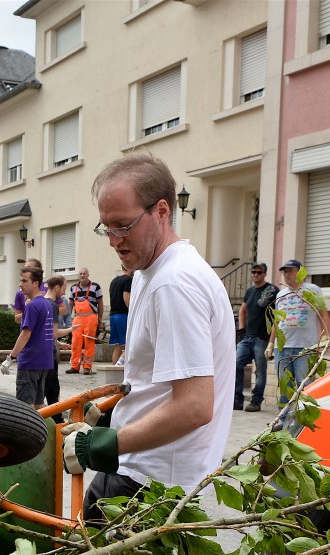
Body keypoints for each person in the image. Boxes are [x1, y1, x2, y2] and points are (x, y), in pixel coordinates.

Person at [63, 151, 234, 517]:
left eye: (123, 225)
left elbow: (194, 405)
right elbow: (157, 381)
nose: (113, 239)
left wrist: (99, 446)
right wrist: (111, 415)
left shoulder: (173, 283)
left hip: (151, 478)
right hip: (143, 467)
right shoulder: (148, 271)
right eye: (106, 227)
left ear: (161, 211)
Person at [269, 259, 330, 433]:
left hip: (306, 347)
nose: (286, 274)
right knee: (285, 385)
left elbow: (323, 315)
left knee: (305, 385)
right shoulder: (281, 294)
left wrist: (324, 337)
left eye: (290, 271)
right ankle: (282, 419)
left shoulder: (312, 290)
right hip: (283, 347)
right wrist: (271, 343)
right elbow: (276, 320)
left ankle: (304, 419)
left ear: (300, 271)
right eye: (284, 271)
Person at [0, 266, 62, 408]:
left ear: (35, 283)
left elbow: (25, 334)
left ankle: (52, 430)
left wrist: (11, 358)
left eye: (24, 281)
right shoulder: (47, 304)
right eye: (20, 280)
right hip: (43, 362)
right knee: (39, 405)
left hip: (30, 363)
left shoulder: (32, 306)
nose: (20, 284)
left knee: (25, 408)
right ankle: (57, 430)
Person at [233, 263, 277, 412]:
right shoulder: (250, 291)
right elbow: (242, 311)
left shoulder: (272, 291)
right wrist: (242, 331)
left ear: (264, 274)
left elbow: (277, 317)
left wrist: (271, 341)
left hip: (262, 338)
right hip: (247, 337)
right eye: (253, 272)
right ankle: (237, 400)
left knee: (260, 371)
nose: (255, 275)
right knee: (236, 364)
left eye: (259, 272)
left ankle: (256, 401)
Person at [66, 269, 103, 375]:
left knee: (89, 342)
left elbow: (100, 304)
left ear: (88, 275)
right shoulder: (73, 288)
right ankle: (74, 366)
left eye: (84, 274)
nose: (82, 275)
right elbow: (70, 305)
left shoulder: (95, 286)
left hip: (91, 318)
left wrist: (100, 320)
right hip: (77, 318)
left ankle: (87, 367)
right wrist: (69, 320)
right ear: (78, 276)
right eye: (80, 274)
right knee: (75, 342)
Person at [108, 262, 133, 364]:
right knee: (130, 344)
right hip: (123, 315)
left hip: (113, 315)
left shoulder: (114, 281)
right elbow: (126, 297)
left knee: (117, 345)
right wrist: (132, 311)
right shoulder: (128, 280)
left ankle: (113, 368)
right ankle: (120, 364)